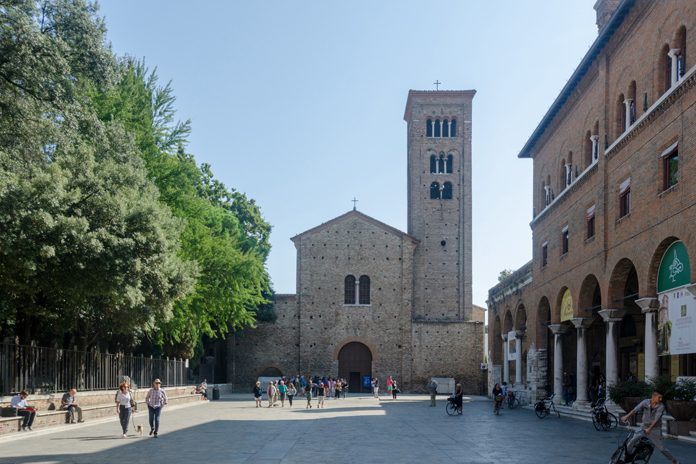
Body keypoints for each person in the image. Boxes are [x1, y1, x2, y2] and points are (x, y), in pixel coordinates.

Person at [621, 389, 680, 464]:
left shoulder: (661, 406)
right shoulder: (645, 402)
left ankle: (673, 460)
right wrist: (626, 416)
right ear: (654, 396)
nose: (661, 399)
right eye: (659, 397)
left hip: (655, 429)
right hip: (643, 427)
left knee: (661, 449)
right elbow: (635, 410)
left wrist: (649, 429)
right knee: (632, 440)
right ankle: (626, 457)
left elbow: (656, 420)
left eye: (661, 397)